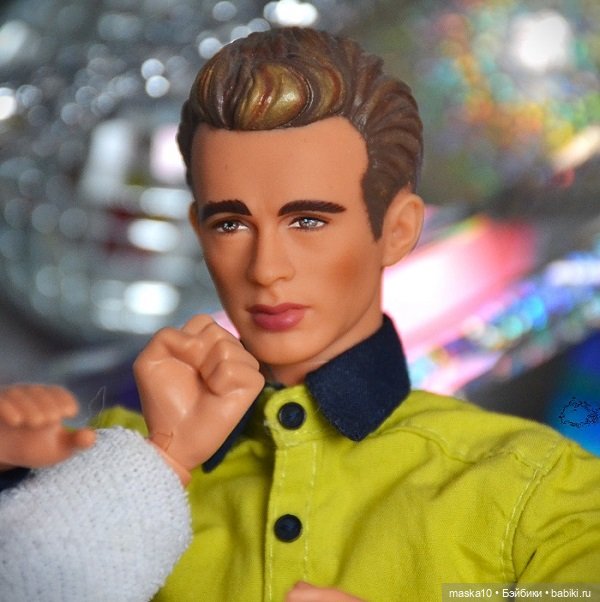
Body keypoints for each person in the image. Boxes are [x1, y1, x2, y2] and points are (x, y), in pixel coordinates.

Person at [1, 27, 599, 602]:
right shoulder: (108, 460)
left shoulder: (535, 485)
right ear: (198, 233)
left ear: (397, 230)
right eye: (230, 224)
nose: (265, 269)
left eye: (308, 220)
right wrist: (147, 464)